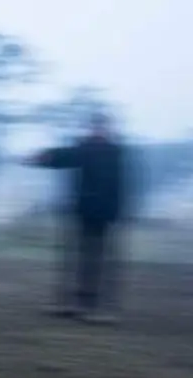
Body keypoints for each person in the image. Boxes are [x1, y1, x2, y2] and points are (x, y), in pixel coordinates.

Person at [25, 111, 129, 324]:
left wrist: (118, 212)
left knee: (98, 261)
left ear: (108, 129)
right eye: (95, 126)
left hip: (104, 214)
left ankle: (98, 308)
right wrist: (43, 157)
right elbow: (64, 156)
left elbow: (121, 186)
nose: (97, 130)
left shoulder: (113, 153)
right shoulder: (85, 149)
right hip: (82, 211)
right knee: (71, 259)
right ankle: (69, 304)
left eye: (100, 127)